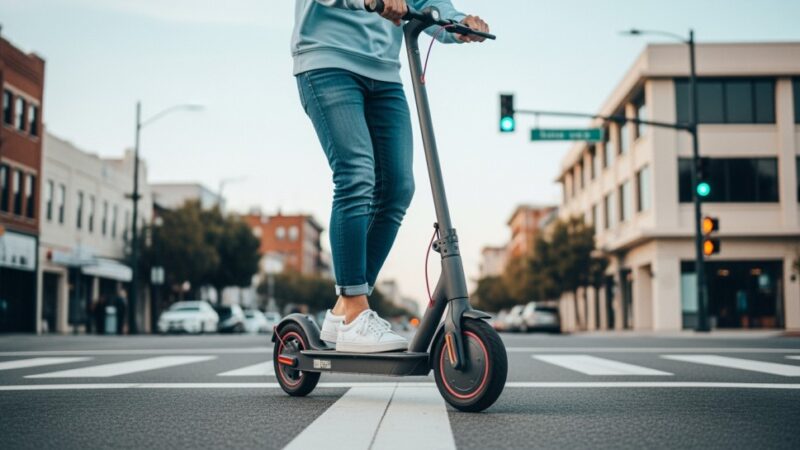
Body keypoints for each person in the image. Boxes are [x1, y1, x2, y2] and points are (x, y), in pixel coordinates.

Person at [292, 0, 490, 352]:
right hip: (327, 62)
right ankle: (354, 307)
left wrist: (458, 24)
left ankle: (344, 310)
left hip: (385, 74)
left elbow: (425, 4)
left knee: (398, 188)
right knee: (356, 175)